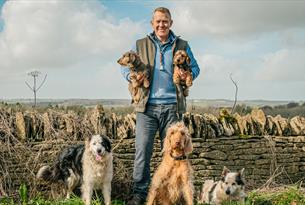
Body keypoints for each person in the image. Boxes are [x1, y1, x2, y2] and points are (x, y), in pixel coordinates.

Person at [120, 7, 200, 205]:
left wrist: (188, 74)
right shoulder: (140, 44)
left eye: (165, 21)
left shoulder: (182, 44)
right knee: (142, 152)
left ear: (171, 23)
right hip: (146, 107)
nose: (161, 25)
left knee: (176, 151)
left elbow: (196, 68)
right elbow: (124, 67)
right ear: (152, 24)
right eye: (158, 21)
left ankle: (173, 195)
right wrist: (133, 78)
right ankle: (139, 194)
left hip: (173, 106)